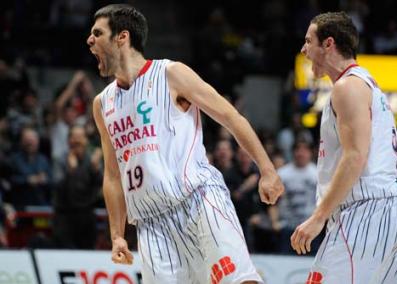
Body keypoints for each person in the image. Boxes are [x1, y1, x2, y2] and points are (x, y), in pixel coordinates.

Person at [87, 4, 284, 284]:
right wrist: (117, 235)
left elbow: (231, 116)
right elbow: (112, 175)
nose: (90, 40)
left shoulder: (171, 74)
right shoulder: (102, 104)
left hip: (199, 200)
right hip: (152, 226)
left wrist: (267, 169)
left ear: (122, 37)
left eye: (97, 33)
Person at [290, 12, 397, 284]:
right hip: (383, 212)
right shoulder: (363, 83)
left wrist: (318, 218)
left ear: (328, 44)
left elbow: (355, 156)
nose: (304, 49)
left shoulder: (348, 86)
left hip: (366, 212)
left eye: (309, 41)